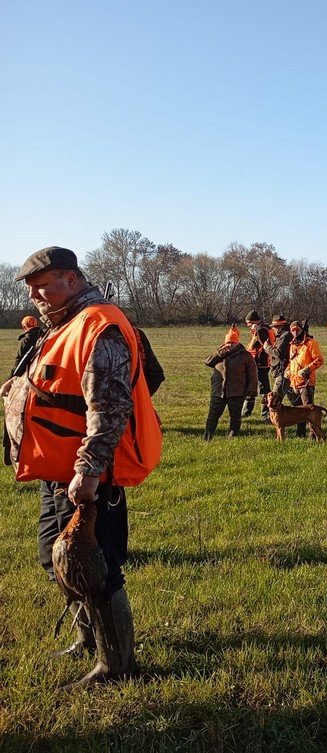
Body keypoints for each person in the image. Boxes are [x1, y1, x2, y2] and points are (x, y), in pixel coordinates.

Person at [1, 246, 161, 690]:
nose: (34, 295)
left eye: (41, 286)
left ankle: (117, 666)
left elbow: (109, 407)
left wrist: (88, 473)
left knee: (97, 568)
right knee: (55, 558)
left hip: (89, 477)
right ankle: (88, 638)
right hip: (57, 472)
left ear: (71, 279)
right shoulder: (63, 322)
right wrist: (21, 387)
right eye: (30, 289)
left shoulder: (99, 325)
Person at [204, 326, 258, 439]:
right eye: (228, 342)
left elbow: (252, 374)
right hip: (218, 391)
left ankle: (232, 436)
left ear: (237, 343)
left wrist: (252, 390)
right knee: (213, 416)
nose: (230, 345)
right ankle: (208, 436)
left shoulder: (245, 355)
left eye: (233, 342)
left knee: (235, 417)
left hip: (237, 392)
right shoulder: (220, 354)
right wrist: (219, 353)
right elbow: (208, 362)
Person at [285, 320, 325, 438]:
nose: (295, 332)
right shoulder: (292, 345)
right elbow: (291, 362)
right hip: (294, 383)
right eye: (293, 330)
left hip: (306, 383)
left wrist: (307, 370)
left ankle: (313, 435)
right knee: (297, 412)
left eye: (297, 330)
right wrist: (287, 370)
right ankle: (300, 433)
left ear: (302, 330)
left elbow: (319, 360)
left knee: (308, 412)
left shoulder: (311, 343)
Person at [241, 310, 274, 422]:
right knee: (251, 387)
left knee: (264, 389)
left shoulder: (263, 330)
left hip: (261, 364)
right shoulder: (260, 329)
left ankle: (265, 414)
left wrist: (258, 330)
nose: (248, 325)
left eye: (249, 323)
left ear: (255, 322)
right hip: (256, 363)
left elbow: (265, 343)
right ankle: (246, 412)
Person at [263, 314, 293, 405]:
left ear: (281, 327)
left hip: (283, 371)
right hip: (285, 370)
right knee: (295, 399)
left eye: (276, 327)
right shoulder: (283, 335)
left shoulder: (285, 336)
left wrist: (267, 348)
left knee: (274, 398)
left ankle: (269, 414)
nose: (274, 329)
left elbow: (279, 353)